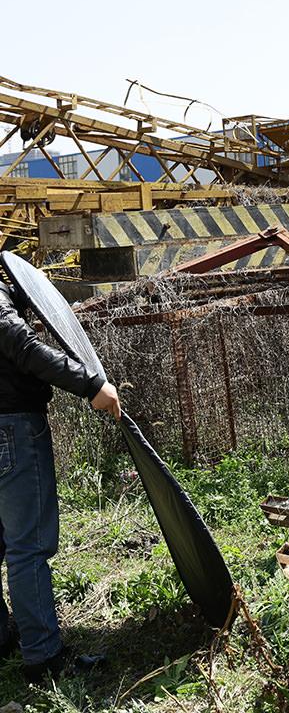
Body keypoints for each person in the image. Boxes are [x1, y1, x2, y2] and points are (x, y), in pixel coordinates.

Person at [0, 279, 120, 683]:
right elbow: (24, 346)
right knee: (28, 548)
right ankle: (44, 658)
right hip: (11, 429)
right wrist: (91, 385)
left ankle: (4, 639)